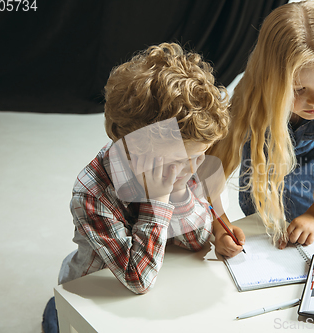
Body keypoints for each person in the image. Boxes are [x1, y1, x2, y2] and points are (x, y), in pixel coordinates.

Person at [42, 42, 231, 332]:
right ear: (133, 150)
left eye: (199, 156)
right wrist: (158, 200)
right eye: (181, 160)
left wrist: (178, 194)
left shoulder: (180, 163)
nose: (192, 169)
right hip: (95, 288)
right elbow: (137, 280)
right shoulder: (92, 193)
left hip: (154, 275)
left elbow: (197, 240)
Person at [207, 0, 314, 257]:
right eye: (298, 89)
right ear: (271, 80)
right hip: (259, 213)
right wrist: (220, 226)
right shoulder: (251, 100)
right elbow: (210, 172)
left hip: (312, 204)